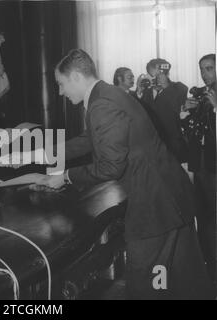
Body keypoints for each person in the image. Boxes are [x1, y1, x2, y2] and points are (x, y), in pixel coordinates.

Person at [36, 49, 213, 299]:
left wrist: (65, 176)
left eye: (61, 83)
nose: (61, 92)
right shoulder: (109, 93)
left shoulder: (100, 103)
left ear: (76, 76)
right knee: (187, 282)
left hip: (155, 209)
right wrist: (44, 154)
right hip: (174, 198)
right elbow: (90, 139)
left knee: (146, 286)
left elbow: (110, 166)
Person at [181, 53, 216, 281]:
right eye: (202, 69)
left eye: (209, 68)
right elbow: (191, 128)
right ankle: (209, 263)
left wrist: (216, 108)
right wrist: (185, 111)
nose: (205, 74)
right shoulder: (204, 94)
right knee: (202, 216)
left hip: (214, 166)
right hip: (200, 163)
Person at [135, 59, 188, 163]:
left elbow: (177, 109)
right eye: (150, 75)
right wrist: (139, 92)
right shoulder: (146, 91)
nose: (153, 79)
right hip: (152, 145)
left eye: (157, 75)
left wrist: (166, 86)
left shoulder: (179, 88)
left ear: (166, 73)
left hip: (173, 145)